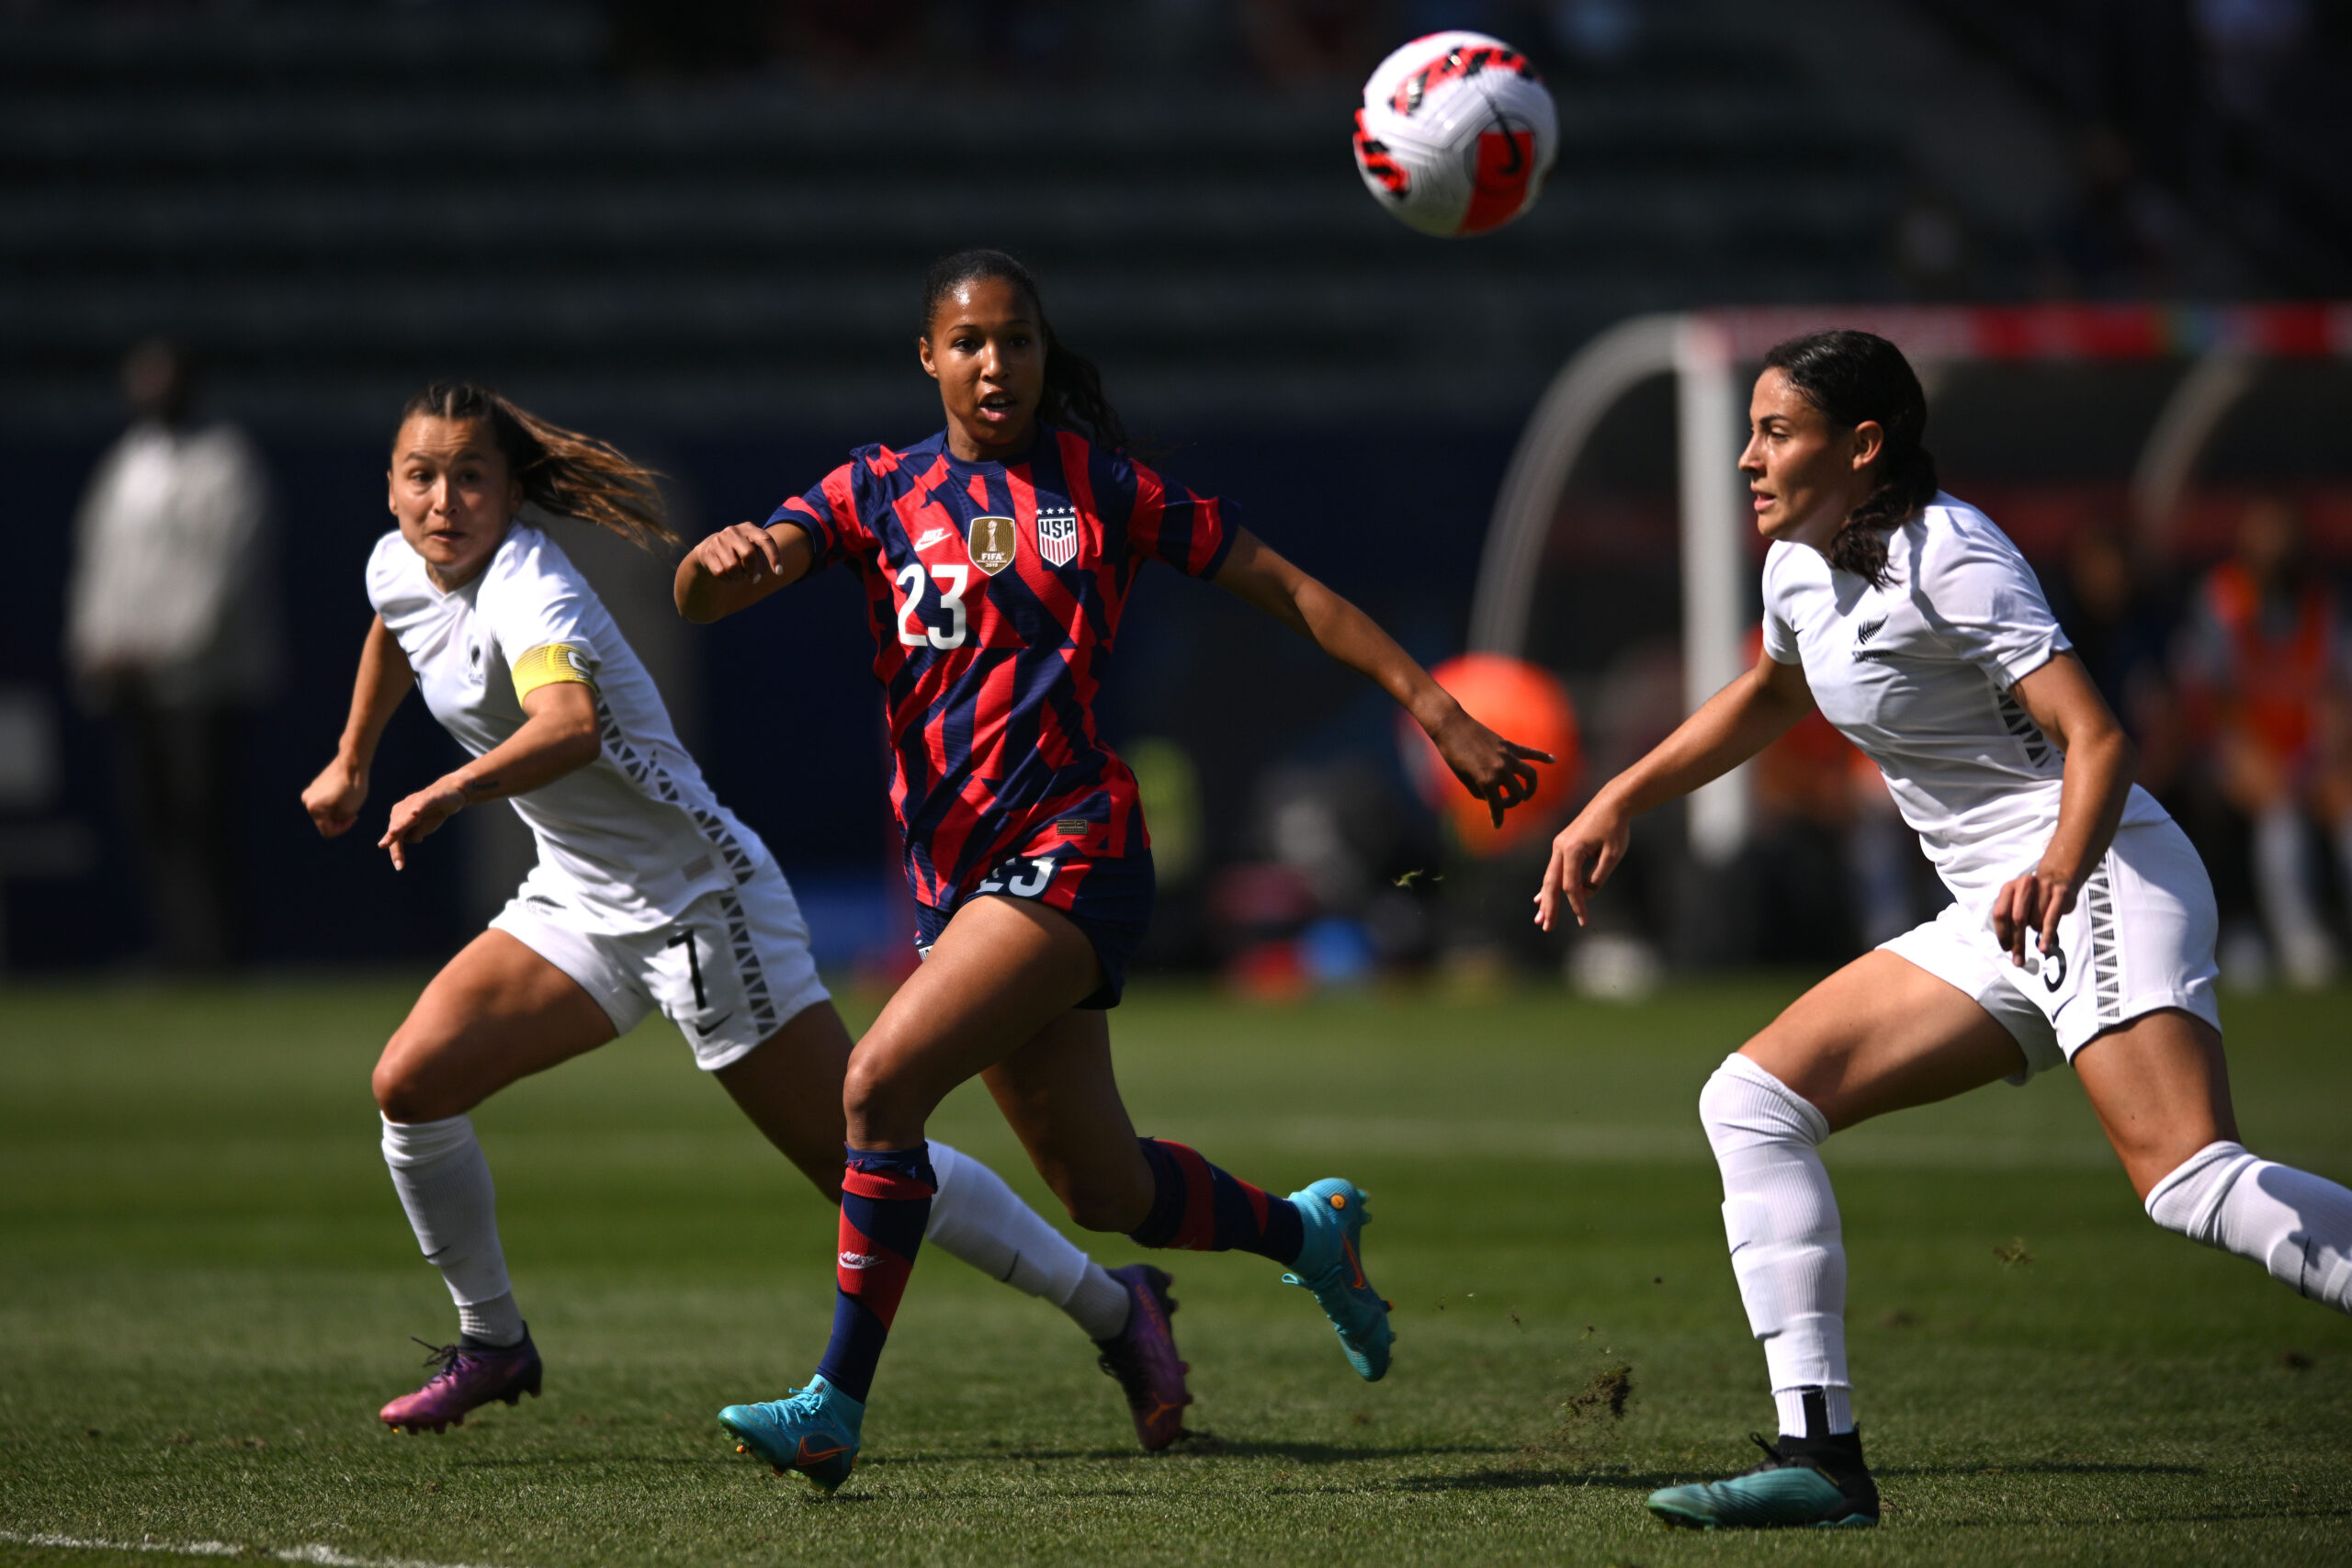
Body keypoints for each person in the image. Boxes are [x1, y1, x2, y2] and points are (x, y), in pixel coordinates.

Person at [674, 248, 1548, 1492]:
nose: (996, 363)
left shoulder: (1103, 489)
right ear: (927, 357)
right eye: (969, 342)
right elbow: (716, 591)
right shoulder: (874, 489)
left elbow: (1289, 588)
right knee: (1104, 1185)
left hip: (1072, 848)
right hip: (959, 879)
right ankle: (1310, 1230)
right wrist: (715, 569)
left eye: (1017, 340)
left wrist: (1433, 703)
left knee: (876, 1089)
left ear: (1043, 351)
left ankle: (834, 1403)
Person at [1535, 330, 2352, 1530]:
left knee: (2187, 1178)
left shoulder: (1952, 554)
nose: (1749, 457)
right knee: (1753, 1099)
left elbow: (2101, 737)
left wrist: (2061, 871)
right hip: (2001, 911)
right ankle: (1821, 1458)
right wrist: (1620, 794)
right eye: (1750, 430)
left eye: (1777, 432)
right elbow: (1773, 693)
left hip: (2103, 872)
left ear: (1863, 446)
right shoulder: (1797, 565)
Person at [301, 381, 1193, 1451]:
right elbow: (397, 627)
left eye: (471, 476)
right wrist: (354, 758)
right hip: (578, 895)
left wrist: (443, 791)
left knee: (854, 1159)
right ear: (392, 485)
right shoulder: (398, 560)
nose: (444, 499)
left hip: (699, 901)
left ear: (509, 492)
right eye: (421, 476)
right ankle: (493, 1341)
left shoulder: (531, 586)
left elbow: (570, 727)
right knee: (411, 1084)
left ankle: (1115, 1306)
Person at [66, 338, 281, 971]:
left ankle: (219, 954)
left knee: (204, 817)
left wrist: (160, 646)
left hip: (199, 682)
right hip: (126, 681)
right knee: (151, 821)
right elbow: (95, 567)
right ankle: (179, 950)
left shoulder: (225, 464)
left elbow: (224, 571)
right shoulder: (121, 467)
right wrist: (95, 644)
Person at [2173, 496, 2352, 988]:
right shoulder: (2222, 598)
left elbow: (2337, 689)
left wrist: (2330, 754)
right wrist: (2243, 756)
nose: (2276, 552)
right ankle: (2291, 938)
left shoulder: (2322, 604)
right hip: (2238, 753)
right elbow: (2207, 694)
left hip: (2312, 752)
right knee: (2278, 812)